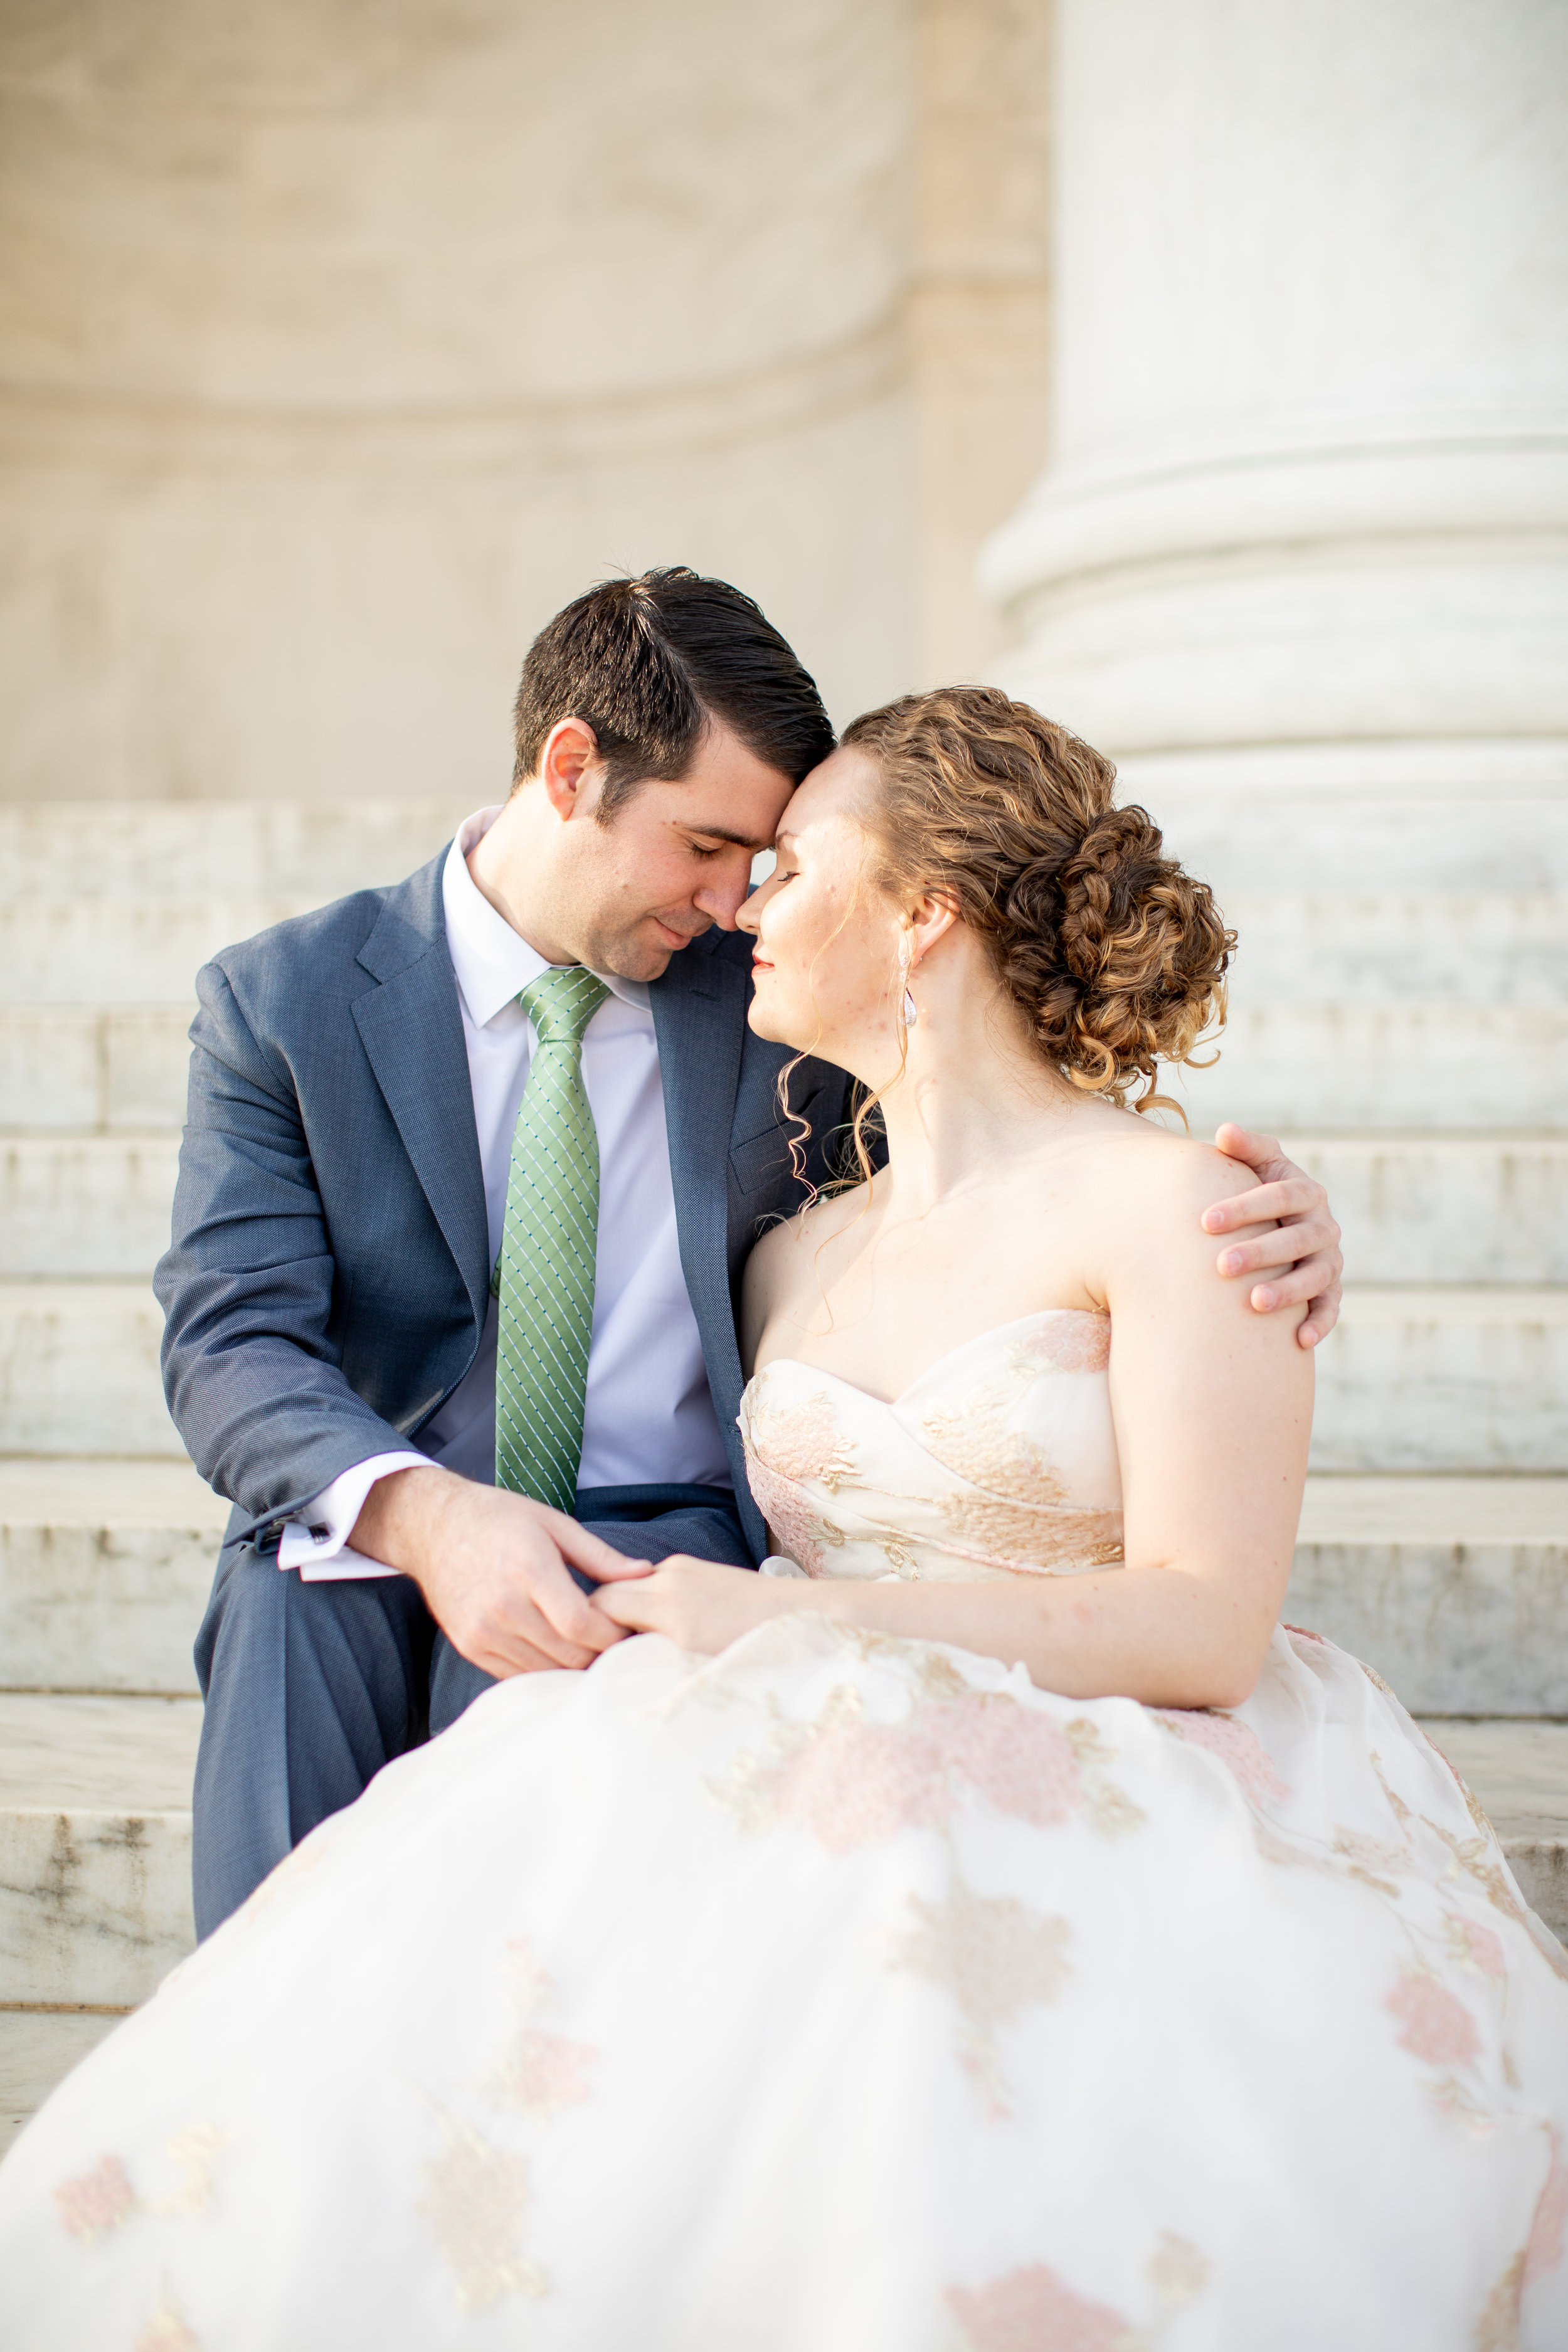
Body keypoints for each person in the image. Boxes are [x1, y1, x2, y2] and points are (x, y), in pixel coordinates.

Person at [3, 686, 1563, 2352]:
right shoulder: (783, 1246)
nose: (741, 898)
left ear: (925, 914)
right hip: (775, 1701)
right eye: (735, 860)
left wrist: (789, 1619)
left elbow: (1203, 1620)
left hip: (1100, 1751)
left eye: (790, 864)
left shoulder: (1185, 1211)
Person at [159, 566, 1342, 1936]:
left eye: (769, 863)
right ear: (570, 770)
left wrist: (1266, 1228)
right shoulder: (287, 1000)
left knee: (566, 1743)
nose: (735, 900)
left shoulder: (776, 988)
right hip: (381, 1511)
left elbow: (1003, 1127)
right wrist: (427, 1513)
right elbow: (227, 1338)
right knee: (287, 1625)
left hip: (663, 1528)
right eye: (711, 846)